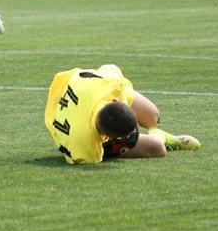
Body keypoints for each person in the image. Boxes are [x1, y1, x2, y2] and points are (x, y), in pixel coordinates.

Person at [45, 64, 201, 165]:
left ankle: (155, 130)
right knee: (157, 147)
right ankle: (163, 137)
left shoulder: (111, 84)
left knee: (153, 116)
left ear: (114, 101)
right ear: (108, 138)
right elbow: (87, 156)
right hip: (59, 110)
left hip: (72, 88)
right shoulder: (87, 149)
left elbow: (110, 67)